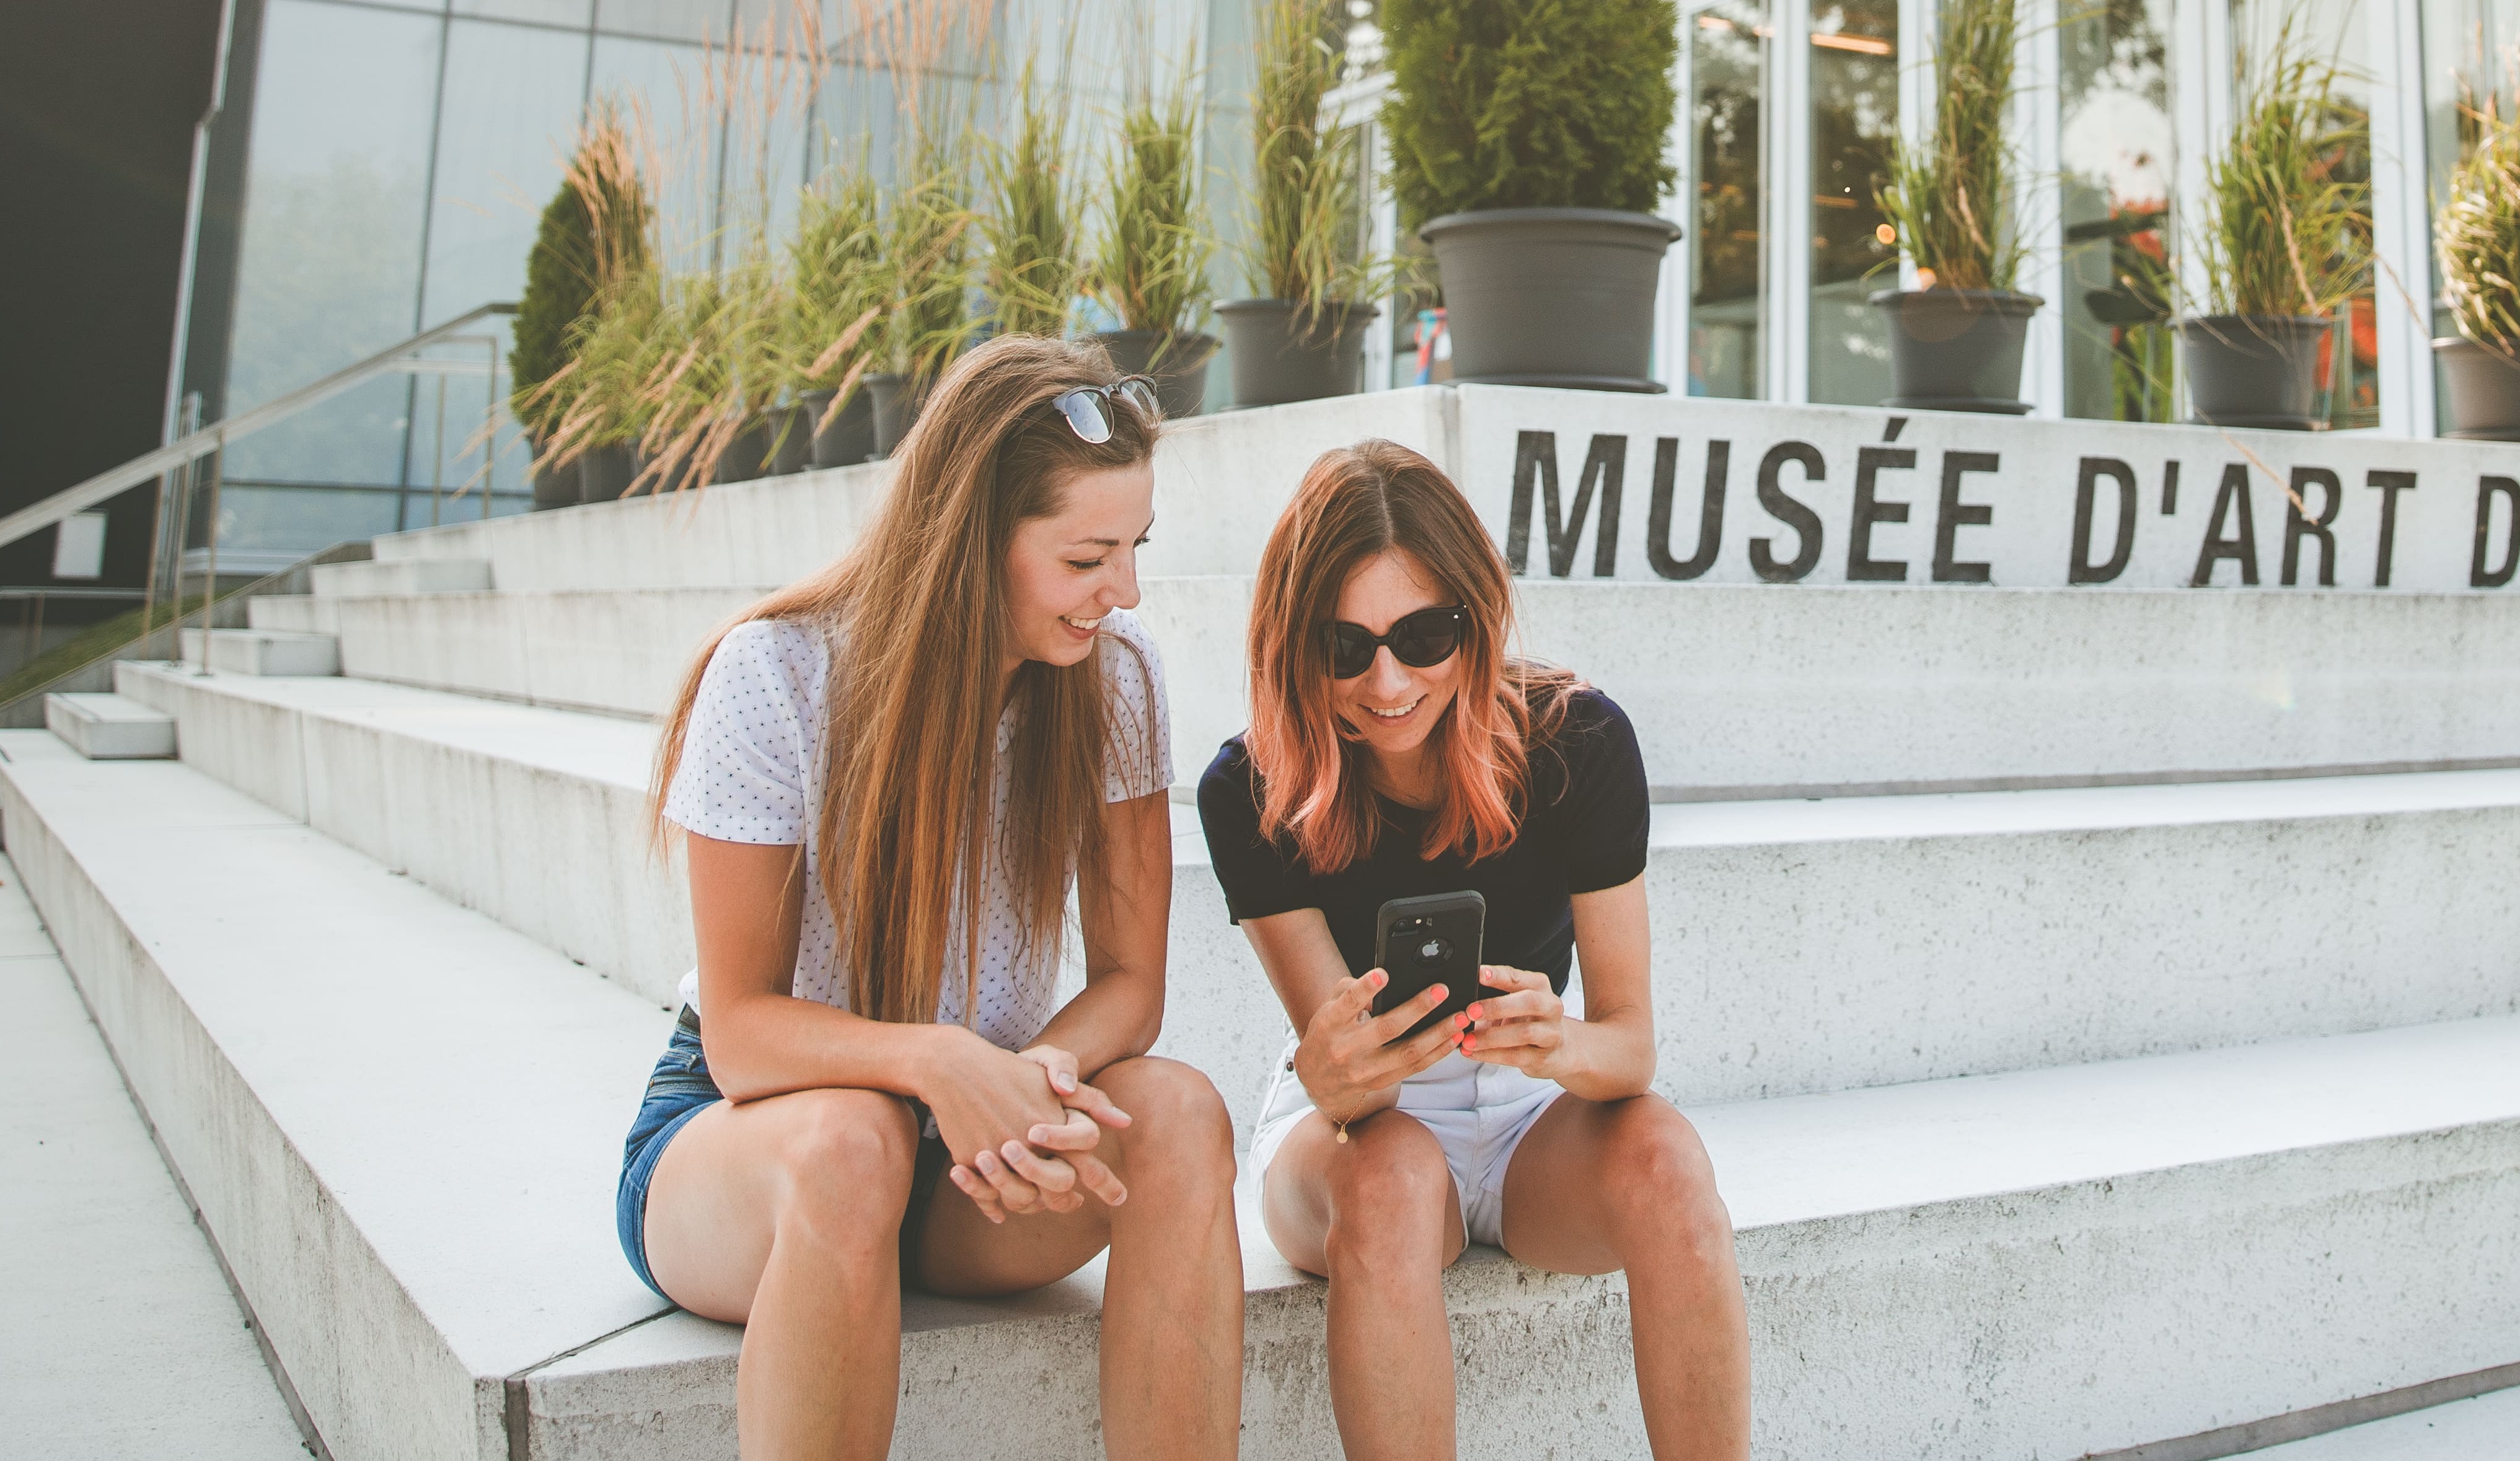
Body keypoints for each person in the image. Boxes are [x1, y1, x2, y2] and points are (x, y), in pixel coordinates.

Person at [623, 335, 1241, 1461]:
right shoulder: (776, 673)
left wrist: (1032, 1079)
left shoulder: (1120, 678)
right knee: (854, 1142)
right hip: (754, 1138)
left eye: (1135, 548)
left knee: (1183, 1114)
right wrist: (940, 1064)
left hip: (976, 1157)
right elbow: (747, 1038)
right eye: (1088, 557)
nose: (1126, 591)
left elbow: (1128, 986)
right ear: (971, 542)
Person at [1198, 439, 1748, 1461]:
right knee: (1394, 1183)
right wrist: (1335, 1070)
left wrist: (1557, 1042)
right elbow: (1353, 1092)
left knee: (1670, 1160)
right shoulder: (1252, 789)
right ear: (1292, 643)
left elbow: (1629, 1049)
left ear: (1476, 617)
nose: (1389, 679)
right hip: (1361, 1127)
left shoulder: (1576, 744)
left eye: (1423, 634)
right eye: (1344, 646)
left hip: (1535, 1105)